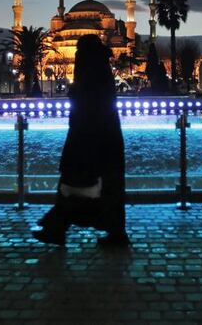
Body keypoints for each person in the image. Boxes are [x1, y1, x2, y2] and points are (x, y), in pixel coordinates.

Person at [33, 34, 129, 247]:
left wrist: (75, 94)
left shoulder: (90, 74)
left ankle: (57, 227)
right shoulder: (101, 70)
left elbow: (89, 108)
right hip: (106, 139)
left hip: (91, 140)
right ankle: (59, 227)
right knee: (94, 187)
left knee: (77, 186)